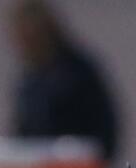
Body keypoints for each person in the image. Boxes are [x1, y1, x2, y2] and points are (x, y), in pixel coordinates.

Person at [8, 0, 117, 159]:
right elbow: (22, 131)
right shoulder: (28, 82)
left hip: (75, 166)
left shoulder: (78, 73)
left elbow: (104, 127)